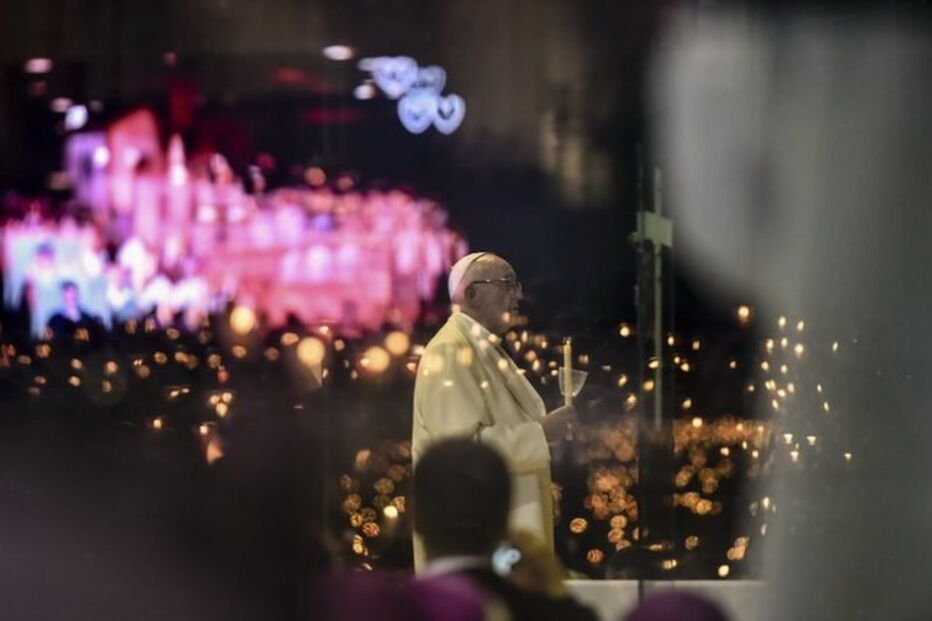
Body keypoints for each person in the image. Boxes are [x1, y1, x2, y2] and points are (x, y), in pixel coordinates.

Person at [412, 252, 577, 569]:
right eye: (507, 284)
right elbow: (458, 455)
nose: (518, 294)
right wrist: (541, 433)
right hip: (474, 544)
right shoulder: (450, 351)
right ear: (472, 294)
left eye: (517, 284)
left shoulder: (483, 348)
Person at [413, 438, 597, 621]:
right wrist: (557, 595)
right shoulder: (555, 613)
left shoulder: (392, 610)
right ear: (506, 516)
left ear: (415, 518)